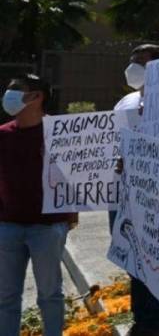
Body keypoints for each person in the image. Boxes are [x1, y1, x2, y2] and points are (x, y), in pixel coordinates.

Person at [110, 44, 159, 336]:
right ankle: (140, 316)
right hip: (127, 195)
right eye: (131, 61)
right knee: (132, 253)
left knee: (155, 256)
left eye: (140, 62)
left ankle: (153, 320)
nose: (132, 67)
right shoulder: (125, 101)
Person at [0, 74, 75, 336]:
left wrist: (70, 214)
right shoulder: (2, 135)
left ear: (37, 96)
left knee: (49, 294)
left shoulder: (61, 134)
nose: (9, 95)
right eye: (9, 89)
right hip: (8, 226)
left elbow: (77, 176)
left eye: (17, 89)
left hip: (48, 227)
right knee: (6, 296)